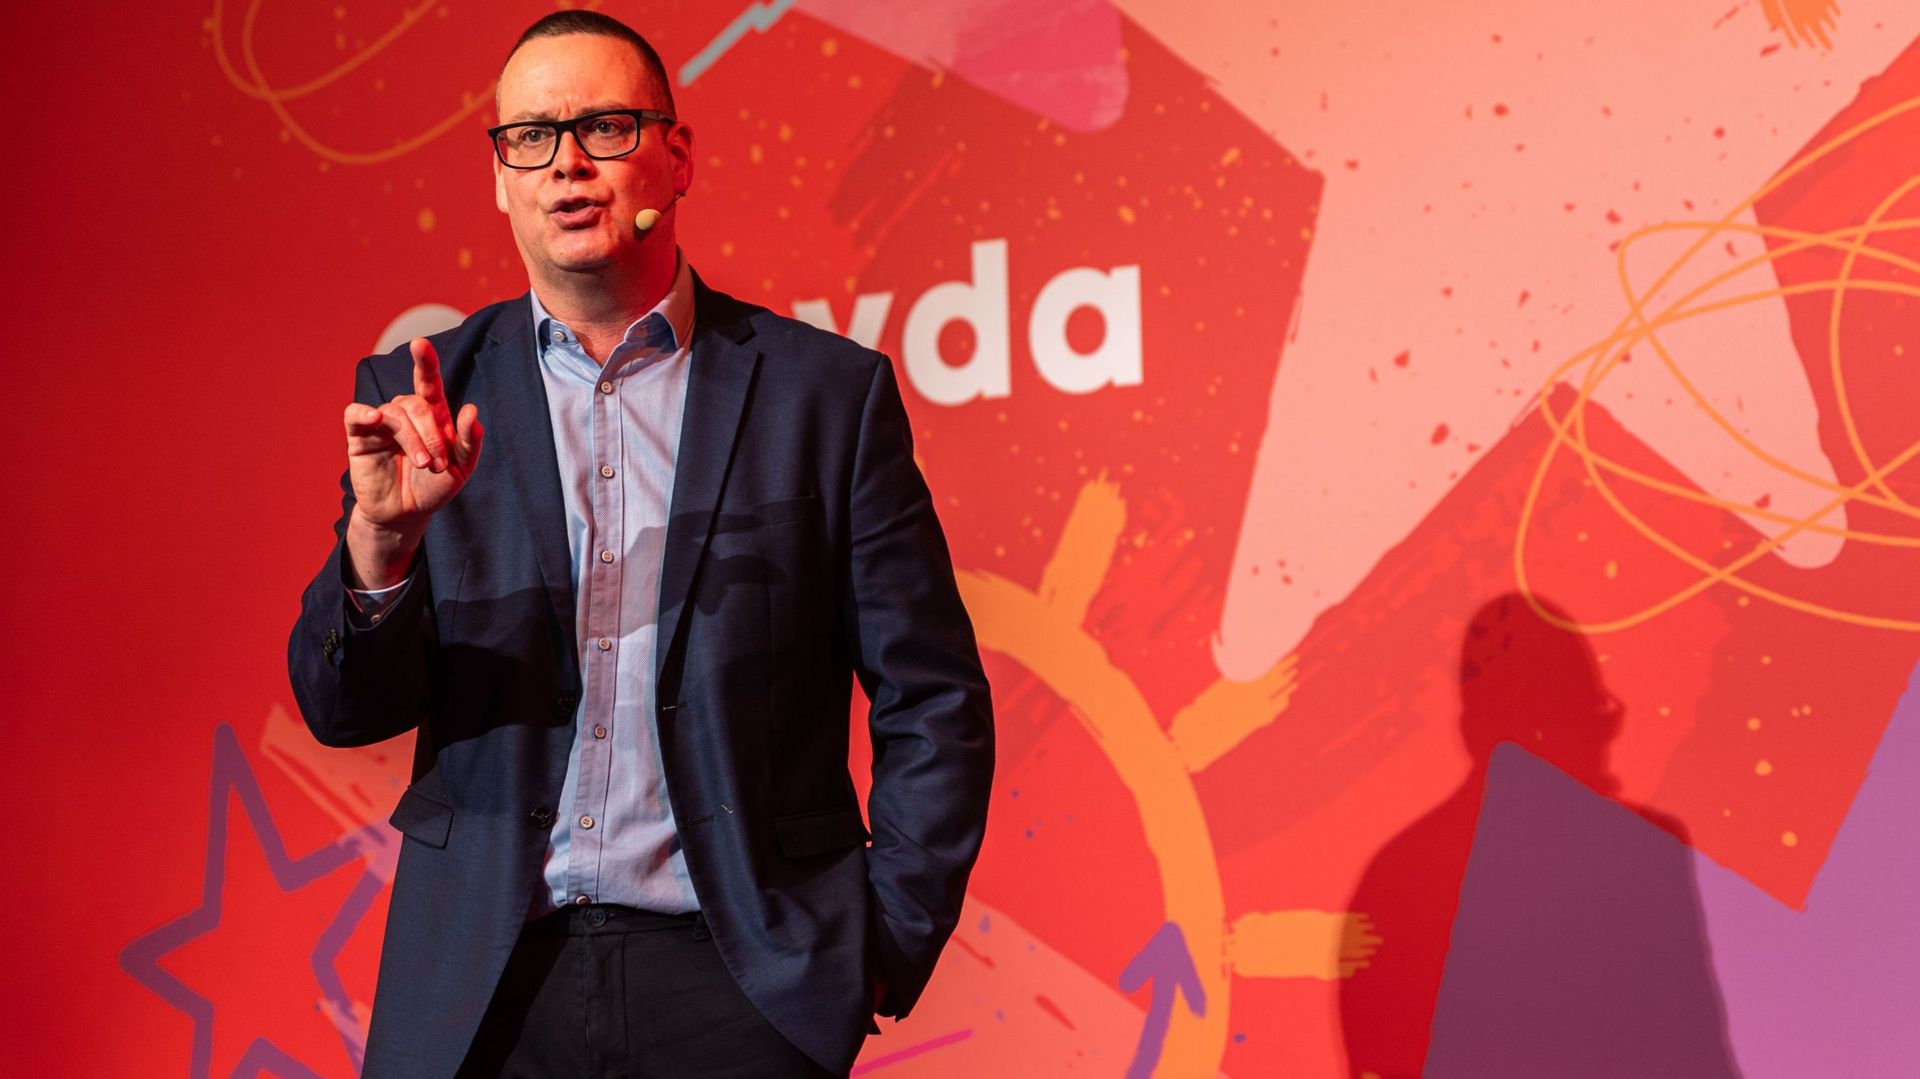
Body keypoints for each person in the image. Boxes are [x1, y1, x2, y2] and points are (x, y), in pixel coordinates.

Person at [286, 11, 994, 1077]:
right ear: (499, 178)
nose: (566, 162)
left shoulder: (823, 397)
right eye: (530, 137)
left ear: (678, 155)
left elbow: (933, 698)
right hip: (484, 988)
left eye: (605, 127)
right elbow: (344, 711)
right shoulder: (421, 397)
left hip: (742, 983)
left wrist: (880, 947)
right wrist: (381, 545)